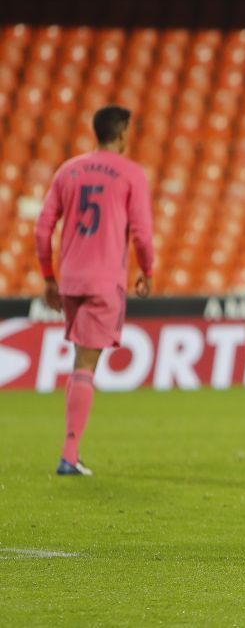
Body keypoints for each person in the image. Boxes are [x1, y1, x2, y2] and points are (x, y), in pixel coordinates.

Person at [35, 105, 154, 476]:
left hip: (71, 279)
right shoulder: (131, 173)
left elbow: (42, 229)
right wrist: (147, 271)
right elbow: (142, 235)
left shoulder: (67, 170)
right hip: (104, 281)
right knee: (85, 367)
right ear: (122, 135)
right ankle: (69, 456)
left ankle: (71, 454)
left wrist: (48, 276)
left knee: (80, 362)